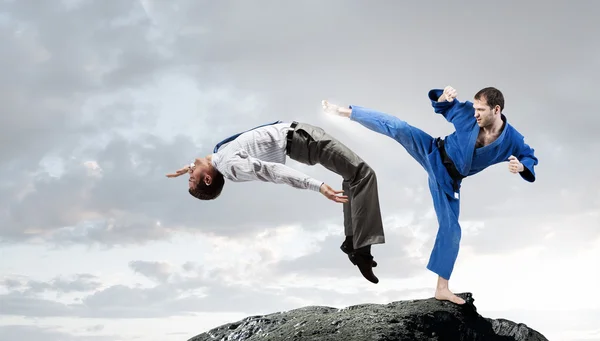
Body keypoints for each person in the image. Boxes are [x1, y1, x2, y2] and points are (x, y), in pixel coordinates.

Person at [321, 85, 538, 304]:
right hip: (433, 150)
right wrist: (445, 96)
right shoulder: (466, 114)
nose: (475, 114)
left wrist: (521, 167)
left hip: (448, 180)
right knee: (398, 127)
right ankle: (343, 112)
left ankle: (441, 289)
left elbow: (528, 155)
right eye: (475, 108)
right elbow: (443, 106)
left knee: (452, 229)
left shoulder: (512, 139)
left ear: (496, 109)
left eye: (481, 110)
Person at [166, 120, 385, 283]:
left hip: (298, 139)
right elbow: (273, 172)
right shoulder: (231, 165)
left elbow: (206, 160)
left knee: (352, 177)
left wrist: (191, 167)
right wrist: (318, 186)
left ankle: (353, 242)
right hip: (302, 139)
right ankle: (362, 250)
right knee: (365, 174)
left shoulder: (220, 158)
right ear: (207, 178)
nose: (189, 172)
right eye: (192, 177)